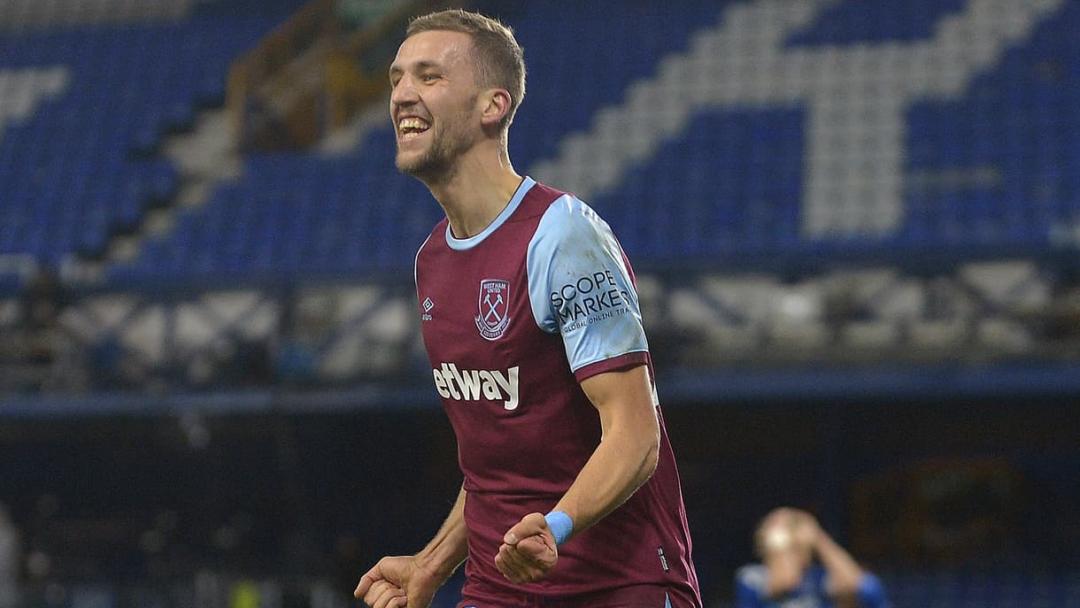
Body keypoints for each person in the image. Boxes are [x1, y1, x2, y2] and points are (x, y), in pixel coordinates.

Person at [354, 9, 701, 608]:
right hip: (498, 590)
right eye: (396, 78)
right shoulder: (432, 259)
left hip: (617, 586)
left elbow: (635, 434)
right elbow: (498, 462)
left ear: (493, 105)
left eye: (429, 77)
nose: (403, 94)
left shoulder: (561, 235)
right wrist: (432, 565)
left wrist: (558, 526)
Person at [735, 508, 888, 608]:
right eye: (792, 549)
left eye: (799, 548)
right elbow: (784, 582)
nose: (796, 553)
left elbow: (856, 585)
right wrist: (779, 540)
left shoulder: (819, 576)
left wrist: (817, 537)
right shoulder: (752, 576)